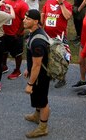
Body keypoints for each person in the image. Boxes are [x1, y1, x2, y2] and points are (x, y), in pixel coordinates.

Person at [23, 9, 51, 138]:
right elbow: (33, 61)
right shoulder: (33, 33)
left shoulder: (37, 41)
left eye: (27, 19)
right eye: (24, 18)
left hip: (41, 76)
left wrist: (30, 83)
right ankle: (36, 115)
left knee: (43, 101)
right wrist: (28, 69)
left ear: (35, 21)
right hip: (37, 73)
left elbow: (37, 64)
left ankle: (43, 127)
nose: (24, 20)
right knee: (37, 98)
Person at [41, 0, 72, 88]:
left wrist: (61, 3)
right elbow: (43, 14)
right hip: (47, 35)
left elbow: (67, 16)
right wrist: (41, 25)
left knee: (62, 58)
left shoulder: (67, 4)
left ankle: (62, 78)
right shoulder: (48, 2)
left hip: (60, 37)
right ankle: (50, 74)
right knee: (47, 56)